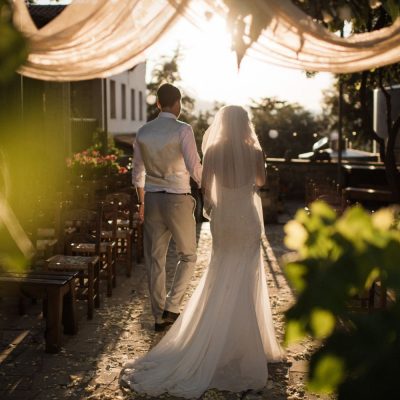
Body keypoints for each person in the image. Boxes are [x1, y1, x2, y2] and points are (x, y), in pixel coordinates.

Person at [121, 105, 282, 398]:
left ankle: (218, 341)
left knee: (219, 274)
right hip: (246, 217)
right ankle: (246, 345)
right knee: (247, 277)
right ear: (246, 125)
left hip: (224, 219)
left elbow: (206, 188)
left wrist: (219, 202)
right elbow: (261, 182)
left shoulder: (215, 150)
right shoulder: (254, 150)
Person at [131, 83, 202, 332]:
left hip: (151, 199)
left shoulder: (143, 131)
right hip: (177, 199)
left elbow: (137, 173)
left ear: (158, 103)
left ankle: (159, 315)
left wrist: (141, 203)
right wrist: (211, 189)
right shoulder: (183, 130)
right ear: (178, 103)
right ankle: (172, 307)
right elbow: (194, 167)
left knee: (155, 259)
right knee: (188, 255)